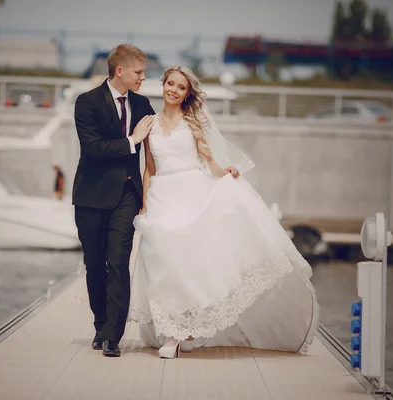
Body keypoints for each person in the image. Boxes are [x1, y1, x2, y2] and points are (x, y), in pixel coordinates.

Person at [128, 66, 319, 359]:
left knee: (189, 264)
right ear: (163, 84)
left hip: (192, 192)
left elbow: (210, 162)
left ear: (187, 93)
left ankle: (178, 333)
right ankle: (173, 327)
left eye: (181, 87)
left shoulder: (193, 122)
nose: (174, 90)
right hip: (162, 196)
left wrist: (224, 172)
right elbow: (149, 169)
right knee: (162, 264)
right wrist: (144, 204)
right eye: (170, 84)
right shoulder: (150, 125)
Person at [72, 44, 155, 357]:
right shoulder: (87, 103)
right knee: (95, 265)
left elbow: (157, 144)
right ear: (119, 71)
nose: (142, 78)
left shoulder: (143, 103)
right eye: (138, 72)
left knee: (119, 262)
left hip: (127, 195)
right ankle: (100, 323)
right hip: (91, 196)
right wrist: (132, 141)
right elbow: (93, 149)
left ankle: (112, 336)